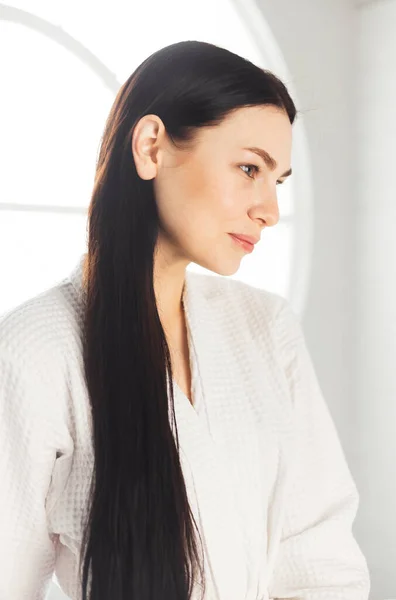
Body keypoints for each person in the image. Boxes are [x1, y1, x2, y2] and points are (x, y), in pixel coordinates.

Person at [0, 40, 370, 600]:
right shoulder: (35, 351)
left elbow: (321, 565)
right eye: (250, 168)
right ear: (151, 147)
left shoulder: (266, 328)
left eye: (278, 181)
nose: (268, 210)